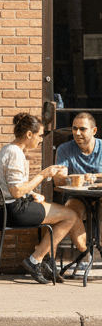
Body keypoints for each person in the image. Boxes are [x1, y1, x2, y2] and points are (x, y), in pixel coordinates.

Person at [0, 112, 87, 284]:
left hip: (5, 210)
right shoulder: (15, 153)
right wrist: (43, 175)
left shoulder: (8, 149)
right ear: (29, 134)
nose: (41, 139)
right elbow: (16, 192)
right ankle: (35, 260)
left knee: (58, 214)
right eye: (40, 135)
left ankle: (47, 263)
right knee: (70, 215)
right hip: (14, 211)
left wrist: (32, 194)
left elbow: (13, 187)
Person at [53, 112, 102, 275]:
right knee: (70, 212)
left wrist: (96, 177)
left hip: (100, 196)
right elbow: (59, 180)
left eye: (82, 129)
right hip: (77, 197)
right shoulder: (65, 149)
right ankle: (87, 255)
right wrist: (73, 177)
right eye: (74, 129)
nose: (77, 133)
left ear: (94, 131)